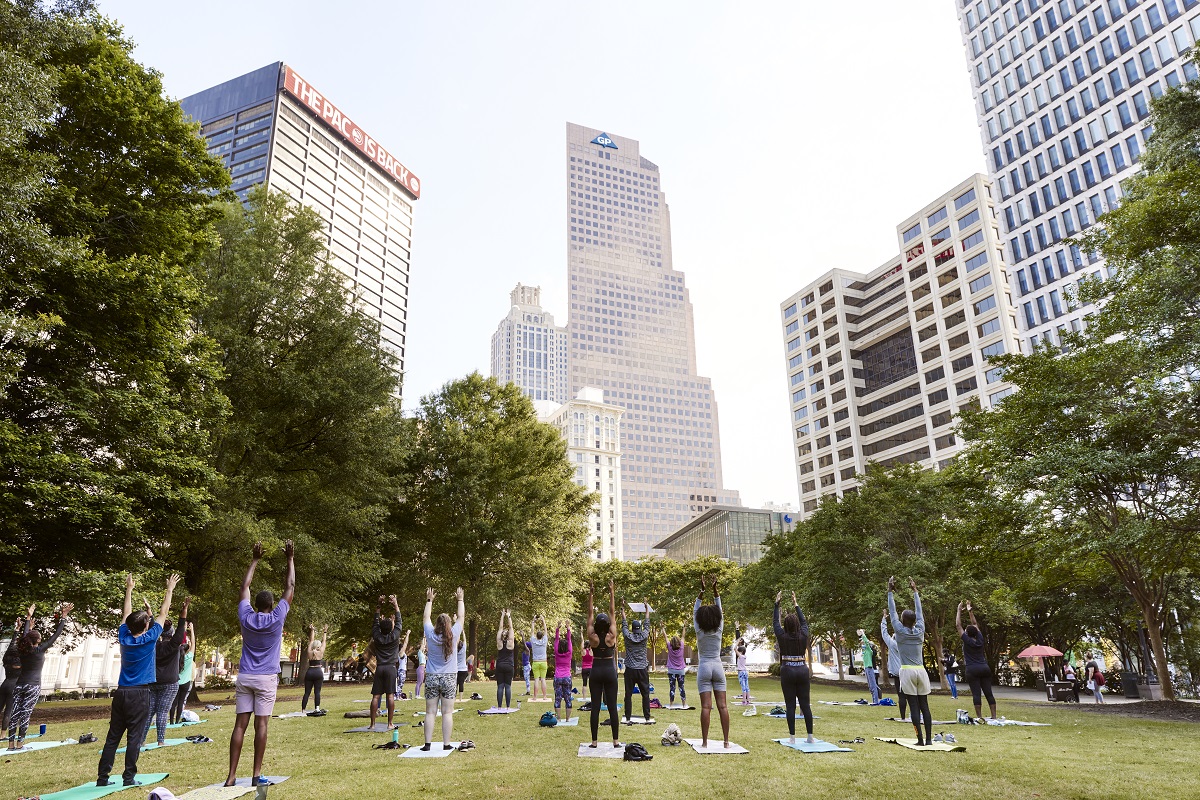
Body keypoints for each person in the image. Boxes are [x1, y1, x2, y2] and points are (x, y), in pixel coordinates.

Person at [224, 540, 294, 788]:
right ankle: (255, 775)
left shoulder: (246, 616)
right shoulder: (277, 618)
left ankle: (231, 776)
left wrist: (254, 559)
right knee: (261, 724)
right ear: (272, 605)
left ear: (255, 604)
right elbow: (291, 586)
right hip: (266, 678)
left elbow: (244, 586)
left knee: (240, 725)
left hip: (245, 676)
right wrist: (290, 559)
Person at [97, 573, 179, 787]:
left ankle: (102, 778)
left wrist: (129, 589)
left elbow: (125, 614)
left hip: (121, 692)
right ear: (145, 627)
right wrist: (169, 589)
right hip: (140, 693)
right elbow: (163, 612)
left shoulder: (124, 637)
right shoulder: (150, 638)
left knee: (113, 736)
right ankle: (128, 778)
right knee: (134, 737)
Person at [7, 602, 69, 750]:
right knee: (25, 714)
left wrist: (28, 618)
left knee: (14, 713)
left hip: (19, 684)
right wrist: (63, 618)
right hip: (33, 686)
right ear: (38, 640)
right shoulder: (40, 650)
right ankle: (20, 744)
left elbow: (24, 635)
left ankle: (10, 745)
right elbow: (56, 635)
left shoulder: (23, 650)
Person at [888, 576, 932, 747]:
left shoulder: (899, 631)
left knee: (914, 707)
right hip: (921, 671)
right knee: (925, 706)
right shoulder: (920, 630)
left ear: (903, 620)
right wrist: (915, 591)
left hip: (906, 671)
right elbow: (919, 613)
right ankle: (928, 739)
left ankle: (920, 740)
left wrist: (890, 591)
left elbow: (892, 613)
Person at [421, 587, 464, 751]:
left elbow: (426, 617)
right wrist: (460, 599)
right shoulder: (453, 635)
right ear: (448, 624)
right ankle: (446, 744)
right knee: (447, 713)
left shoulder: (430, 634)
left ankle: (427, 745)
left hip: (432, 676)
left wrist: (429, 600)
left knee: (430, 712)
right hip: (449, 678)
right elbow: (461, 617)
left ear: (437, 624)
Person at [145, 598, 188, 747]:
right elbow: (181, 629)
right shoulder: (174, 645)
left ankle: (142, 741)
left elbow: (152, 630)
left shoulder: (154, 644)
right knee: (162, 712)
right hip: (170, 683)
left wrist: (150, 614)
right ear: (171, 633)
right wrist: (184, 612)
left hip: (153, 682)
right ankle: (160, 741)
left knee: (149, 713)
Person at [774, 590, 814, 744]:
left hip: (787, 670)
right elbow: (804, 622)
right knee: (805, 705)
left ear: (786, 625)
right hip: (802, 670)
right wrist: (796, 604)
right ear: (797, 625)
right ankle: (810, 737)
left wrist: (777, 604)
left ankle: (792, 738)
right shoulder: (803, 634)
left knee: (790, 705)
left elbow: (775, 623)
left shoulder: (782, 636)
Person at [695, 574, 730, 749]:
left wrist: (702, 591)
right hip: (717, 666)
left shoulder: (699, 630)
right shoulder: (719, 629)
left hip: (704, 667)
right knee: (722, 706)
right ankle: (725, 742)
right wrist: (715, 590)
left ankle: (705, 742)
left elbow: (696, 610)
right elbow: (720, 609)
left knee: (706, 707)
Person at [586, 579, 620, 750]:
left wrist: (591, 593)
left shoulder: (592, 636)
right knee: (612, 706)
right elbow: (612, 611)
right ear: (607, 624)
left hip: (596, 669)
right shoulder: (611, 635)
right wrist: (611, 592)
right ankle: (615, 741)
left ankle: (594, 742)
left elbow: (590, 613)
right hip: (609, 670)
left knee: (595, 707)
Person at [956, 601, 998, 720]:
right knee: (988, 692)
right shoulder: (980, 639)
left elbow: (958, 626)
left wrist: (959, 610)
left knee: (976, 693)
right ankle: (993, 716)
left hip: (972, 669)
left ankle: (979, 717)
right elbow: (974, 623)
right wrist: (970, 611)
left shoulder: (967, 640)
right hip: (984, 668)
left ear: (967, 634)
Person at [369, 595, 402, 729]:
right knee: (390, 696)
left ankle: (372, 724)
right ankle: (390, 723)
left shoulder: (377, 636)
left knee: (376, 696)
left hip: (380, 667)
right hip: (391, 668)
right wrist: (395, 604)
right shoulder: (395, 637)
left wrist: (378, 605)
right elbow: (399, 621)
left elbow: (375, 623)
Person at [2, 611, 32, 737]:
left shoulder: (7, 658)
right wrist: (29, 627)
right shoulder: (22, 660)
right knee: (8, 710)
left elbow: (12, 645)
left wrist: (16, 631)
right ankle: (2, 734)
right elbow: (26, 644)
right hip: (14, 686)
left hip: (4, 684)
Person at [621, 599, 651, 722]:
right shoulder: (644, 636)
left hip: (630, 670)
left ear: (632, 628)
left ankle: (628, 717)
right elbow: (647, 624)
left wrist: (623, 610)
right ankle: (647, 717)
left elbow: (624, 624)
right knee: (645, 695)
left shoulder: (628, 637)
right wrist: (646, 609)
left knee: (628, 694)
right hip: (642, 670)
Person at [170, 622, 197, 725]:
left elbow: (177, 645)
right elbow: (193, 644)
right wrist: (192, 630)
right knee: (181, 702)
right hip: (186, 683)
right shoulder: (189, 657)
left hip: (176, 681)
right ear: (187, 650)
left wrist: (183, 629)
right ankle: (177, 721)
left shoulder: (176, 657)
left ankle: (171, 721)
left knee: (174, 702)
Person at [880, 613, 905, 720]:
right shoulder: (906, 643)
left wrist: (884, 620)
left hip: (898, 673)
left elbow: (884, 634)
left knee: (901, 696)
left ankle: (903, 716)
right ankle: (916, 715)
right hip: (909, 671)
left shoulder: (893, 644)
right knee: (912, 696)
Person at [301, 624, 327, 713]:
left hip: (310, 671)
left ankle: (303, 709)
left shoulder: (309, 651)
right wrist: (325, 631)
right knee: (317, 692)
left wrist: (312, 630)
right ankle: (317, 708)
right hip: (318, 672)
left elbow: (311, 640)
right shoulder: (321, 652)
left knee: (307, 692)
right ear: (319, 646)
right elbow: (324, 641)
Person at [493, 610, 516, 709]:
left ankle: (499, 706)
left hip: (500, 666)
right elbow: (511, 628)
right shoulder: (511, 642)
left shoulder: (499, 643)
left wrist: (502, 616)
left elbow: (500, 628)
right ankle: (507, 707)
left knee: (500, 686)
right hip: (509, 666)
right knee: (508, 686)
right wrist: (508, 616)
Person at [553, 620, 574, 722]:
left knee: (558, 698)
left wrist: (558, 628)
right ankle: (567, 719)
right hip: (567, 677)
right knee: (568, 697)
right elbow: (569, 639)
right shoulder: (569, 652)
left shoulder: (557, 652)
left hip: (558, 677)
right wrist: (568, 628)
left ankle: (559, 718)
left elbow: (556, 640)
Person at [857, 628, 881, 704]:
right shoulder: (865, 652)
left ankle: (876, 701)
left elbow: (866, 642)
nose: (863, 645)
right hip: (867, 668)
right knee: (870, 686)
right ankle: (874, 700)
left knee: (873, 686)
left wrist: (863, 634)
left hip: (870, 668)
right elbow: (863, 642)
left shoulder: (869, 651)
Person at [666, 626, 687, 708]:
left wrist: (663, 628)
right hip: (681, 671)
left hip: (671, 671)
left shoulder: (669, 647)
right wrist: (684, 627)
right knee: (681, 687)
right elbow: (683, 636)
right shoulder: (681, 646)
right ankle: (684, 704)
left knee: (672, 688)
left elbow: (665, 637)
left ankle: (671, 704)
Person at [530, 616, 549, 701]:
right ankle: (544, 696)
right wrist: (543, 620)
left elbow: (532, 631)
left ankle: (535, 697)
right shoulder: (544, 641)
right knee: (543, 679)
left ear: (537, 636)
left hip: (535, 662)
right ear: (542, 636)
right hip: (543, 662)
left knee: (536, 680)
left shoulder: (533, 641)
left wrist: (533, 621)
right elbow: (546, 630)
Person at [395, 629, 411, 700]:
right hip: (401, 670)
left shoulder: (401, 653)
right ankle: (397, 695)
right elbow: (405, 644)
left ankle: (398, 695)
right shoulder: (401, 653)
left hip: (402, 670)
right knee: (400, 684)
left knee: (401, 684)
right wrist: (407, 635)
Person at [735, 636, 750, 705]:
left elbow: (734, 648)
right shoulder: (744, 656)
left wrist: (738, 641)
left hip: (741, 672)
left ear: (741, 652)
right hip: (745, 672)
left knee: (743, 687)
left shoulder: (740, 656)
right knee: (747, 686)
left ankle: (744, 700)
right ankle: (748, 700)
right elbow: (744, 649)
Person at [455, 625, 469, 694]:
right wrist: (463, 631)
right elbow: (465, 640)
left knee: (455, 684)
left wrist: (457, 632)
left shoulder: (455, 651)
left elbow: (456, 641)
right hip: (463, 669)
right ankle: (460, 698)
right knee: (461, 683)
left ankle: (453, 697)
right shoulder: (463, 650)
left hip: (456, 669)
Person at [521, 631, 532, 695]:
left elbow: (524, 643)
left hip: (526, 666)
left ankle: (528, 691)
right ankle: (528, 690)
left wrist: (522, 636)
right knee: (526, 679)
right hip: (526, 666)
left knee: (527, 679)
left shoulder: (527, 650)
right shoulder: (526, 651)